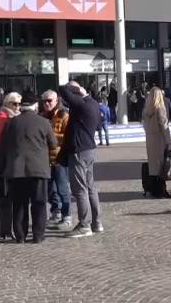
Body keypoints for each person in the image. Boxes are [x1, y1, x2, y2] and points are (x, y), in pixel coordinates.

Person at [0, 92, 58, 244]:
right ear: (35, 106)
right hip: (38, 169)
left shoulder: (11, 123)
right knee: (39, 203)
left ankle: (20, 235)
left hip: (16, 170)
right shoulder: (44, 122)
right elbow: (53, 144)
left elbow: (2, 147)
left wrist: (0, 168)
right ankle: (38, 235)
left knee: (19, 204)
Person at [58, 82, 103, 238]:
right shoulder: (94, 103)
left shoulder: (81, 104)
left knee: (80, 189)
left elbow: (62, 90)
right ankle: (97, 222)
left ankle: (84, 225)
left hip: (79, 150)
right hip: (90, 148)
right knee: (91, 187)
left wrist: (74, 88)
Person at [41, 90, 72, 230]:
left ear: (56, 101)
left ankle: (67, 215)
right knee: (50, 189)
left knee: (62, 188)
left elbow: (68, 136)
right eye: (44, 101)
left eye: (49, 101)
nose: (47, 104)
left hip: (59, 157)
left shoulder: (63, 115)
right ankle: (56, 212)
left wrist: (51, 137)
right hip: (46, 159)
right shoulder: (42, 116)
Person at [142, 87, 171, 199]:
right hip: (159, 139)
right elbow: (164, 126)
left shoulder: (146, 110)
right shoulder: (160, 109)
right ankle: (161, 190)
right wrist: (168, 141)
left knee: (153, 165)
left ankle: (153, 189)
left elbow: (144, 125)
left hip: (150, 139)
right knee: (161, 165)